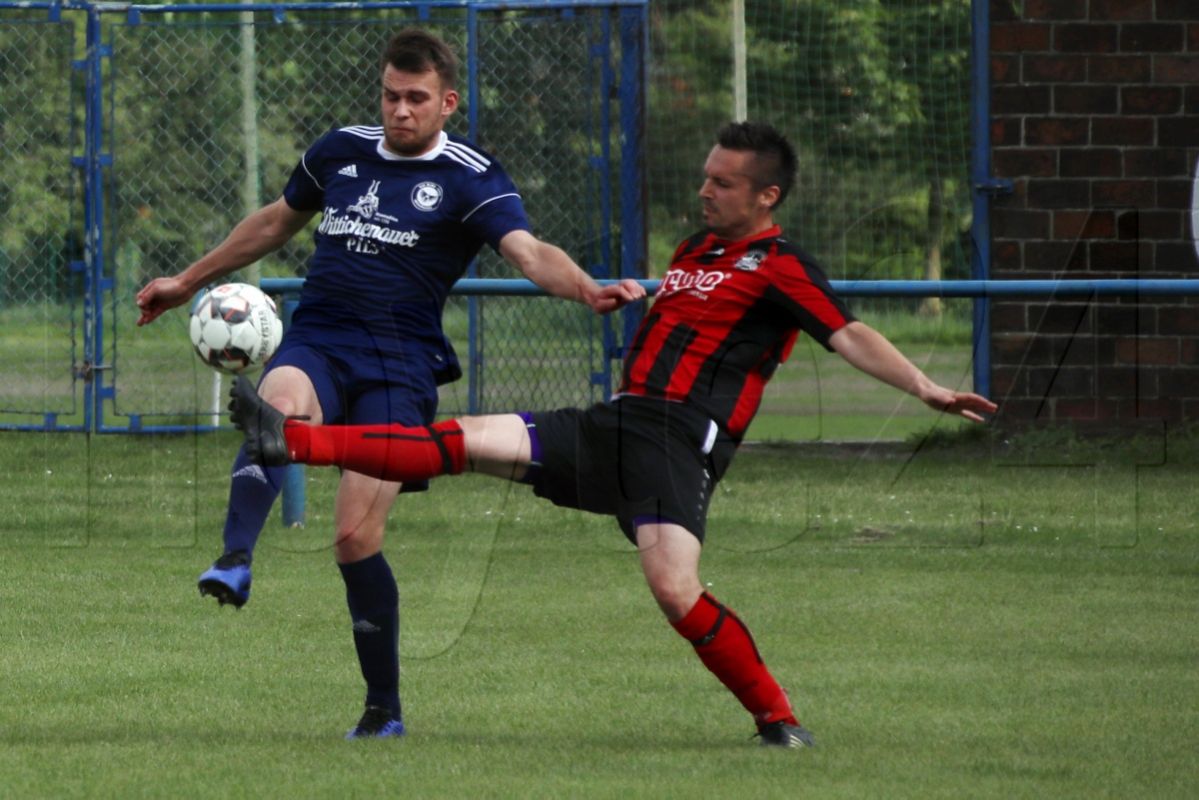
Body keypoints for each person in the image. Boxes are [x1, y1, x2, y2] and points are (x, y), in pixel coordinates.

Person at [228, 121, 998, 748]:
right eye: (704, 174)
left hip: (676, 442)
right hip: (615, 419)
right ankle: (289, 443)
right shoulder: (695, 252)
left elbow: (850, 334)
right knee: (456, 438)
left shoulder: (782, 264)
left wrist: (924, 387)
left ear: (766, 195)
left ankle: (775, 717)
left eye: (723, 182)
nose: (704, 189)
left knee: (673, 590)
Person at [134, 28, 644, 740]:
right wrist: (187, 280)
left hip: (400, 367)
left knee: (352, 536)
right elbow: (277, 221)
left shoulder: (471, 175)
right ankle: (234, 558)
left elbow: (528, 252)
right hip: (320, 340)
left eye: (415, 99)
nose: (399, 111)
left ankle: (383, 710)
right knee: (276, 408)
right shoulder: (341, 149)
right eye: (389, 96)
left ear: (446, 102)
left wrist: (586, 290)